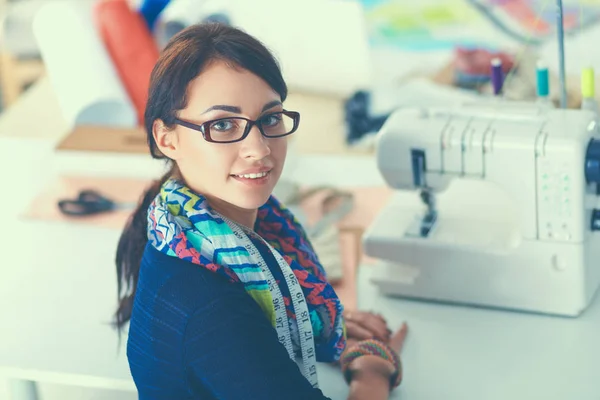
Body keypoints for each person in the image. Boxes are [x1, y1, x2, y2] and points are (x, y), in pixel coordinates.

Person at [113, 22, 407, 399]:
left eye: (269, 118)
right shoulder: (212, 309)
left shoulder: (187, 227)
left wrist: (314, 322)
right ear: (166, 138)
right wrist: (373, 369)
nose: (260, 148)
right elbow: (230, 337)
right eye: (222, 124)